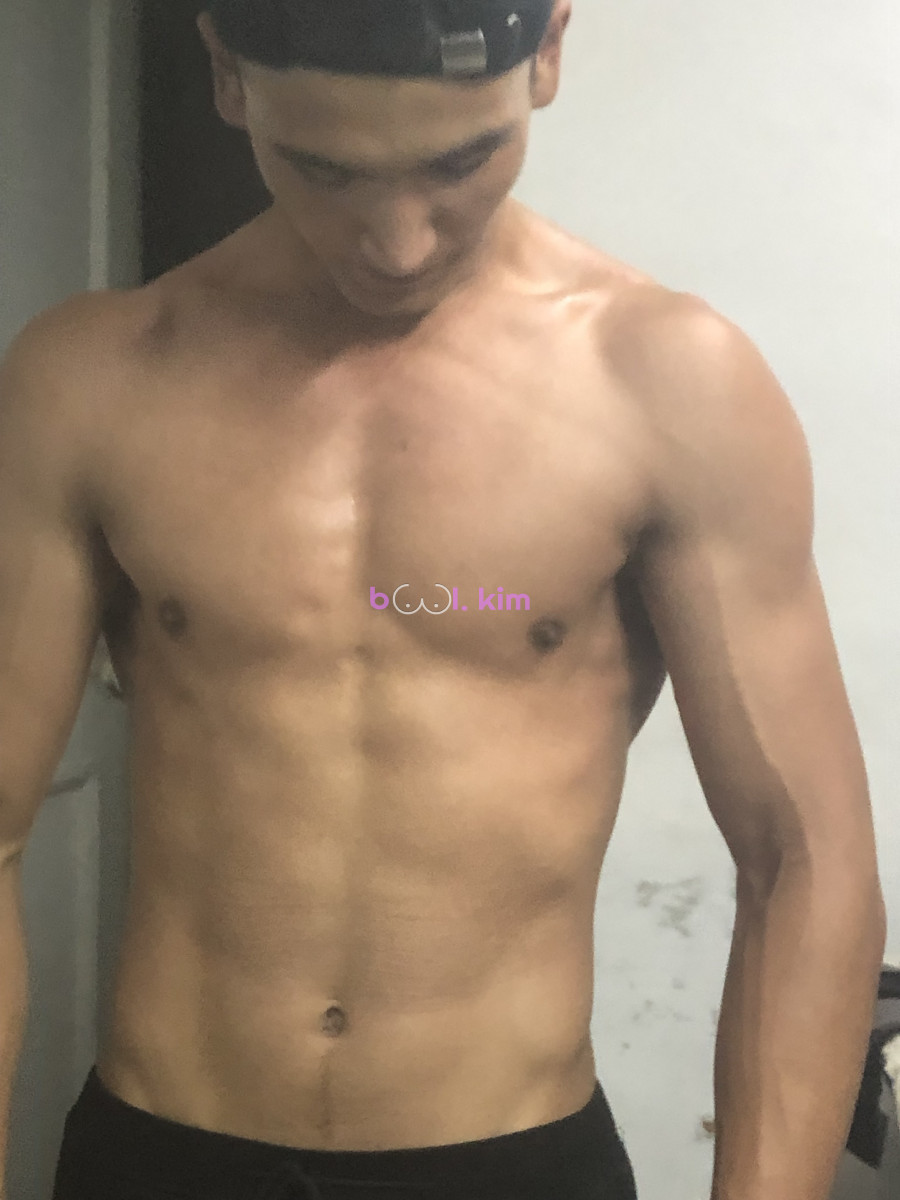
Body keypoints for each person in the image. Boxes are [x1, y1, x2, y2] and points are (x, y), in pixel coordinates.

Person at [0, 1, 886, 1197]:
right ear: (225, 73)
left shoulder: (668, 385)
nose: (400, 244)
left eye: (461, 161)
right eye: (324, 169)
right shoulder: (91, 380)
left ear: (550, 51)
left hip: (512, 1164)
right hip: (163, 1154)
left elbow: (804, 860)